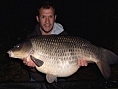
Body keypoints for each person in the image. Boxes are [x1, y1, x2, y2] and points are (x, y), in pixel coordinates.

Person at [23, 2, 88, 82]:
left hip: (60, 78)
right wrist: (31, 67)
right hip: (37, 80)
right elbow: (33, 71)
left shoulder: (63, 36)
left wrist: (79, 63)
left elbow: (70, 64)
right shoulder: (31, 39)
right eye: (43, 17)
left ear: (55, 17)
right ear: (38, 18)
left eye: (50, 16)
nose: (47, 21)